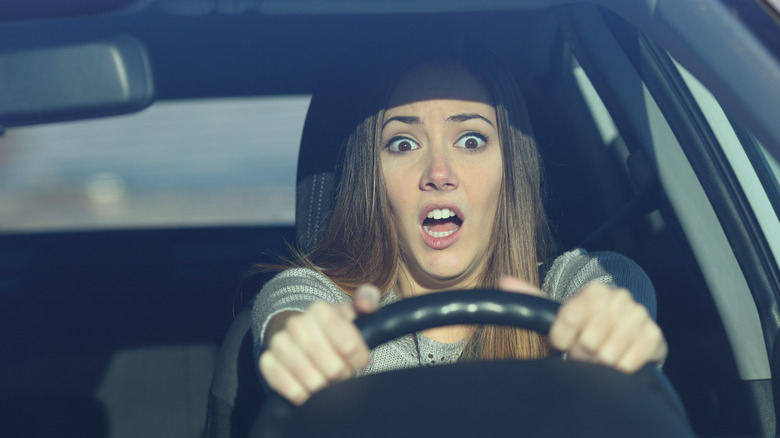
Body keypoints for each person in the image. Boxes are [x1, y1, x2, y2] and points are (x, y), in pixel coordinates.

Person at [251, 40, 667, 406]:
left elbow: (611, 285)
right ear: (372, 179)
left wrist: (613, 329)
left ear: (510, 171)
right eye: (403, 143)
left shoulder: (561, 292)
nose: (438, 171)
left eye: (471, 140)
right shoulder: (335, 309)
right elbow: (291, 305)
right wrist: (300, 343)